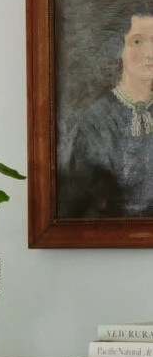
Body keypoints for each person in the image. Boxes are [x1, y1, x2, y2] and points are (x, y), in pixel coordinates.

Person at [59, 12, 153, 215]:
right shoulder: (97, 119)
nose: (150, 53)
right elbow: (86, 200)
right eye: (137, 41)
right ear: (119, 49)